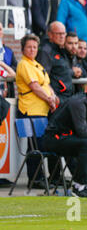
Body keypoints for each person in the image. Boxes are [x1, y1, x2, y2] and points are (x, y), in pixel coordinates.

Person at [16, 34, 58, 189]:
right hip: (30, 110)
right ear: (22, 49)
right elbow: (35, 86)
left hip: (41, 112)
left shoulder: (36, 64)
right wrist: (49, 99)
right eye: (29, 47)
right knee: (35, 147)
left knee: (41, 145)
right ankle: (34, 178)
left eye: (34, 47)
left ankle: (42, 177)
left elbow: (46, 84)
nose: (32, 49)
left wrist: (53, 97)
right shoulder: (24, 64)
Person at [36, 21, 74, 104]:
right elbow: (42, 78)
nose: (62, 36)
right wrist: (54, 97)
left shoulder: (61, 50)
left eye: (64, 33)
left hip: (66, 97)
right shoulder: (46, 51)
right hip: (56, 99)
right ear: (50, 34)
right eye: (58, 34)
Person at [0, 22, 17, 97]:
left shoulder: (8, 51)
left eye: (0, 29)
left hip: (7, 93)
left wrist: (3, 69)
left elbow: (15, 70)